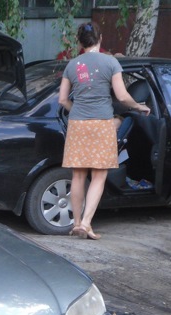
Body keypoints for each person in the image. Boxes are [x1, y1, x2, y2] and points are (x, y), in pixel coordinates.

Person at [58, 21, 149, 239]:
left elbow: (62, 100)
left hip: (78, 124)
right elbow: (122, 96)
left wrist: (77, 110)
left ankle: (77, 222)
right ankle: (87, 223)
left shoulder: (72, 65)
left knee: (78, 176)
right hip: (101, 124)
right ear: (100, 39)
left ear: (80, 42)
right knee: (98, 176)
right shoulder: (111, 62)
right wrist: (138, 106)